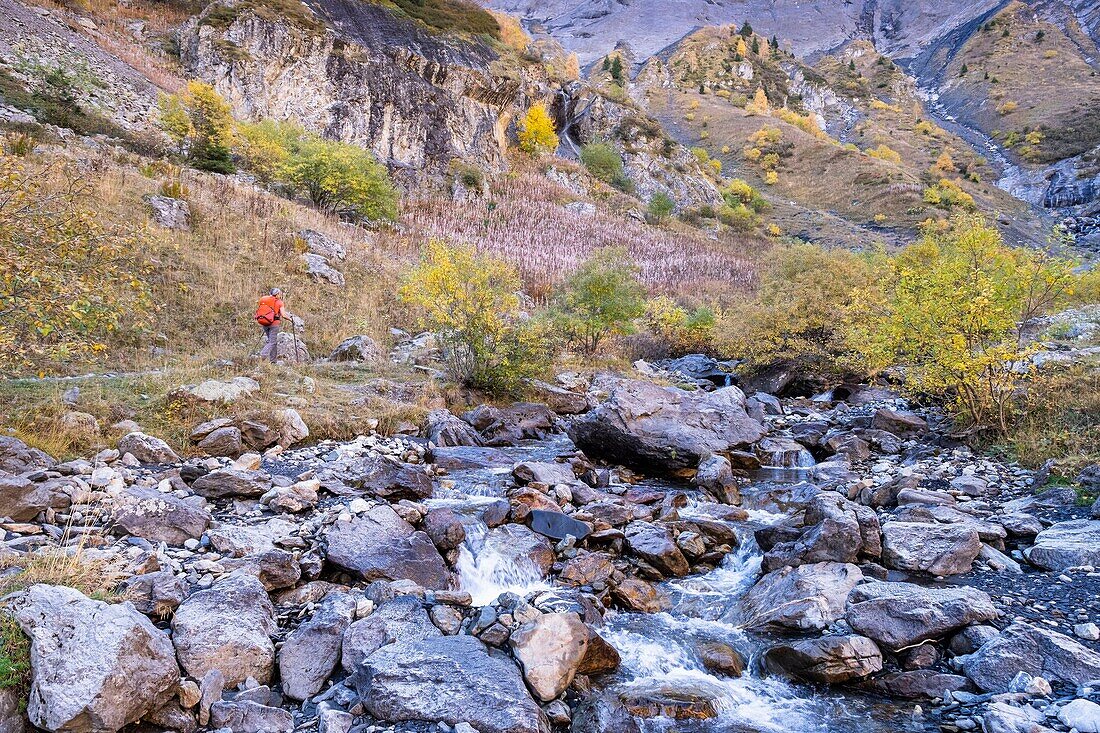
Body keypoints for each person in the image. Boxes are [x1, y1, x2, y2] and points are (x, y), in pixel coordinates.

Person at [255, 288, 287, 363]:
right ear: (277, 294)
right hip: (274, 324)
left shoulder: (264, 300)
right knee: (272, 342)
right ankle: (263, 354)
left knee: (272, 341)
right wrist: (291, 319)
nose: (280, 295)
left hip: (264, 323)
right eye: (280, 294)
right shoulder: (279, 302)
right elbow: (283, 315)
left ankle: (273, 361)